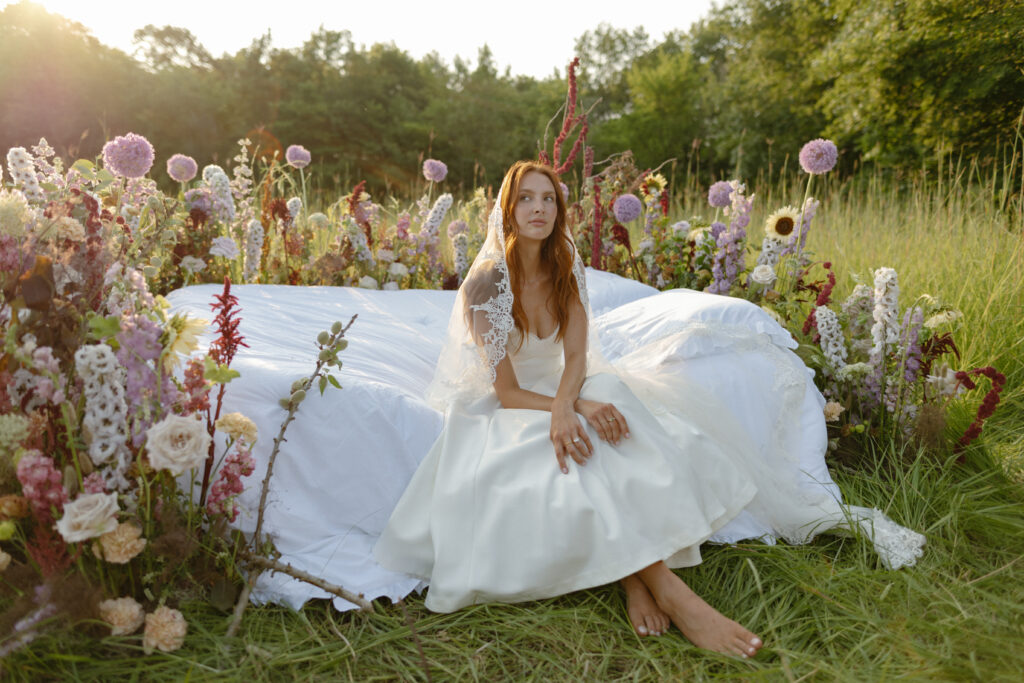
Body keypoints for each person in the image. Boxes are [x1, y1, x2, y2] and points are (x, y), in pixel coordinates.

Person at [373, 161, 924, 657]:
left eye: (548, 199)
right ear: (507, 209)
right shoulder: (486, 284)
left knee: (615, 423)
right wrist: (564, 411)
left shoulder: (567, 267)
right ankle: (668, 590)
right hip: (512, 403)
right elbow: (509, 392)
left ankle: (635, 579)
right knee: (561, 454)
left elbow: (575, 358)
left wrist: (575, 403)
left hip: (573, 387)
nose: (538, 208)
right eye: (525, 199)